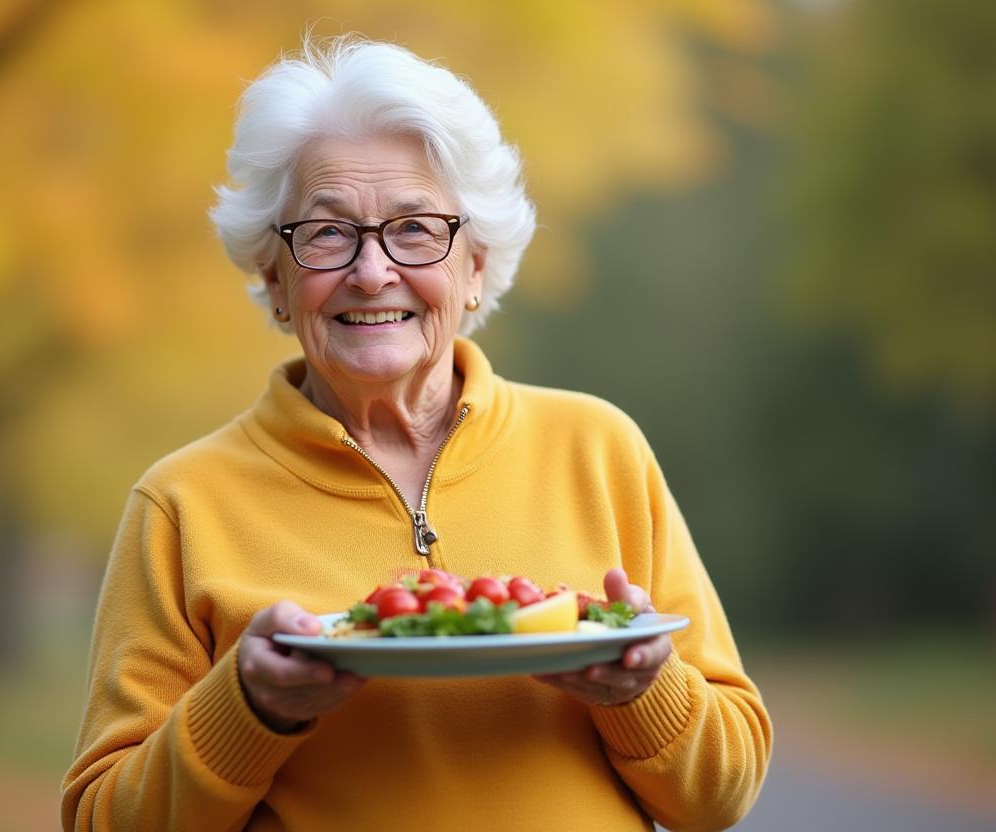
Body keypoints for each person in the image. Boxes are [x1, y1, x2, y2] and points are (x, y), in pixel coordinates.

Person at [61, 36, 771, 832]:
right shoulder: (184, 503)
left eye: (415, 229)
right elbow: (104, 821)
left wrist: (646, 690)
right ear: (274, 276)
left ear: (474, 267)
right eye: (327, 234)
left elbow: (723, 794)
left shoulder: (598, 449)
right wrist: (249, 707)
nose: (372, 272)